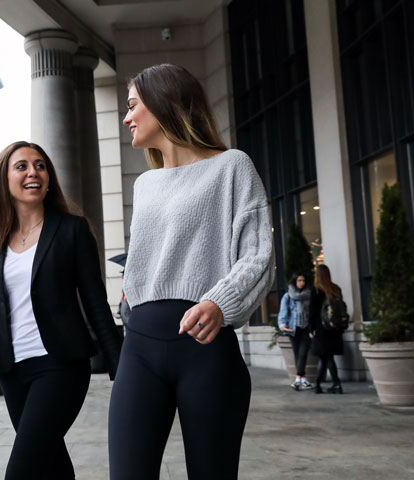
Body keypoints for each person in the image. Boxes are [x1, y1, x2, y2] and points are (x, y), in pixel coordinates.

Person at [109, 64, 274, 479]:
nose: (127, 117)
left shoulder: (232, 166)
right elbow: (145, 256)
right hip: (140, 346)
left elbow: (258, 255)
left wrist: (220, 301)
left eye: (133, 106)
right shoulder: (144, 184)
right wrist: (129, 297)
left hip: (205, 347)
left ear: (163, 101)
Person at [0, 141, 122, 479]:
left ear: (48, 178)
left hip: (61, 366)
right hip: (14, 372)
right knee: (50, 464)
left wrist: (121, 370)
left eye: (40, 165)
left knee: (21, 470)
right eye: (22, 166)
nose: (33, 172)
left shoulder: (71, 230)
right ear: (3, 180)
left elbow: (95, 303)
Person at [309, 264, 344, 394]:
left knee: (326, 357)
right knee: (326, 357)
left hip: (321, 329)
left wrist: (311, 329)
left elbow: (312, 312)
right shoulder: (336, 289)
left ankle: (334, 384)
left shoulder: (316, 290)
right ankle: (321, 385)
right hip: (334, 329)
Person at [278, 273, 314, 391]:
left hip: (305, 328)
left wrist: (313, 328)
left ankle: (298, 379)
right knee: (297, 353)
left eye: (303, 280)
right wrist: (282, 325)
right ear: (295, 282)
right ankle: (301, 379)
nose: (301, 283)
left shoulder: (309, 295)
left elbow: (312, 314)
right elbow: (283, 311)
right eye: (299, 280)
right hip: (293, 329)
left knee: (303, 353)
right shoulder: (288, 296)